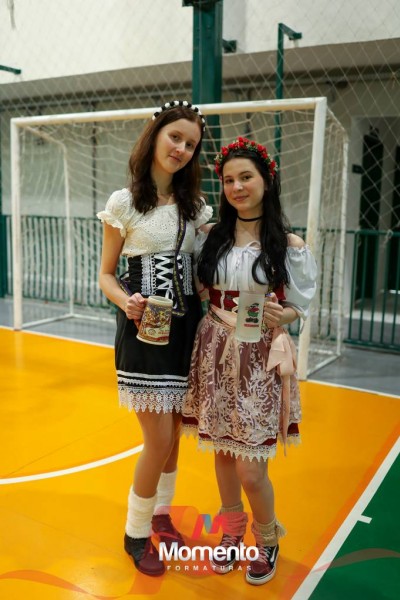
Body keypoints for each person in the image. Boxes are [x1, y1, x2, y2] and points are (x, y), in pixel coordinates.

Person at [182, 137, 317, 586]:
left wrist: (287, 315)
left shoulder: (288, 244)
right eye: (228, 180)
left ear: (266, 181)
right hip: (214, 346)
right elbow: (199, 288)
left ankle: (267, 539)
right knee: (222, 453)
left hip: (258, 354)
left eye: (246, 177)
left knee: (251, 467)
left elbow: (300, 303)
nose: (237, 187)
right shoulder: (211, 237)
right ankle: (231, 531)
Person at [97, 100, 212, 577]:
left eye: (191, 144)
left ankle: (162, 515)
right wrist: (127, 302)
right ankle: (136, 531)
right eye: (175, 137)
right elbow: (106, 275)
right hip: (144, 332)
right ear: (156, 136)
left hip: (186, 330)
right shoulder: (123, 202)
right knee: (159, 438)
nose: (181, 148)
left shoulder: (196, 207)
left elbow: (212, 261)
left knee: (175, 434)